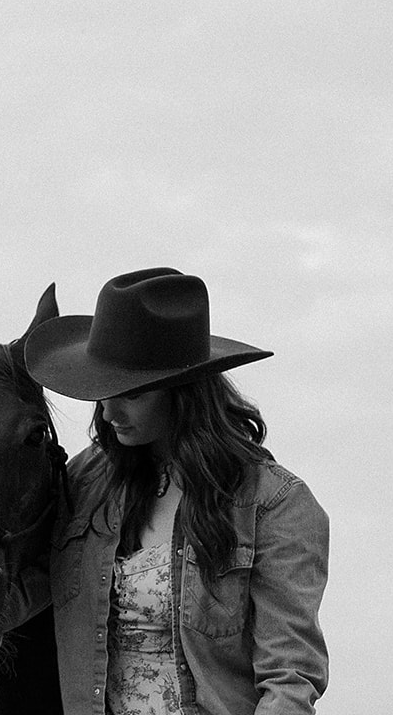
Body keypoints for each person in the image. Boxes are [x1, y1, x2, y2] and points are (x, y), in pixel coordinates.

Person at [24, 268, 328, 715]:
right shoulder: (86, 483)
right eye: (101, 393)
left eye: (129, 394)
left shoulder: (275, 505)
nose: (108, 413)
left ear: (181, 394)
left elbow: (290, 676)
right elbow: (26, 589)